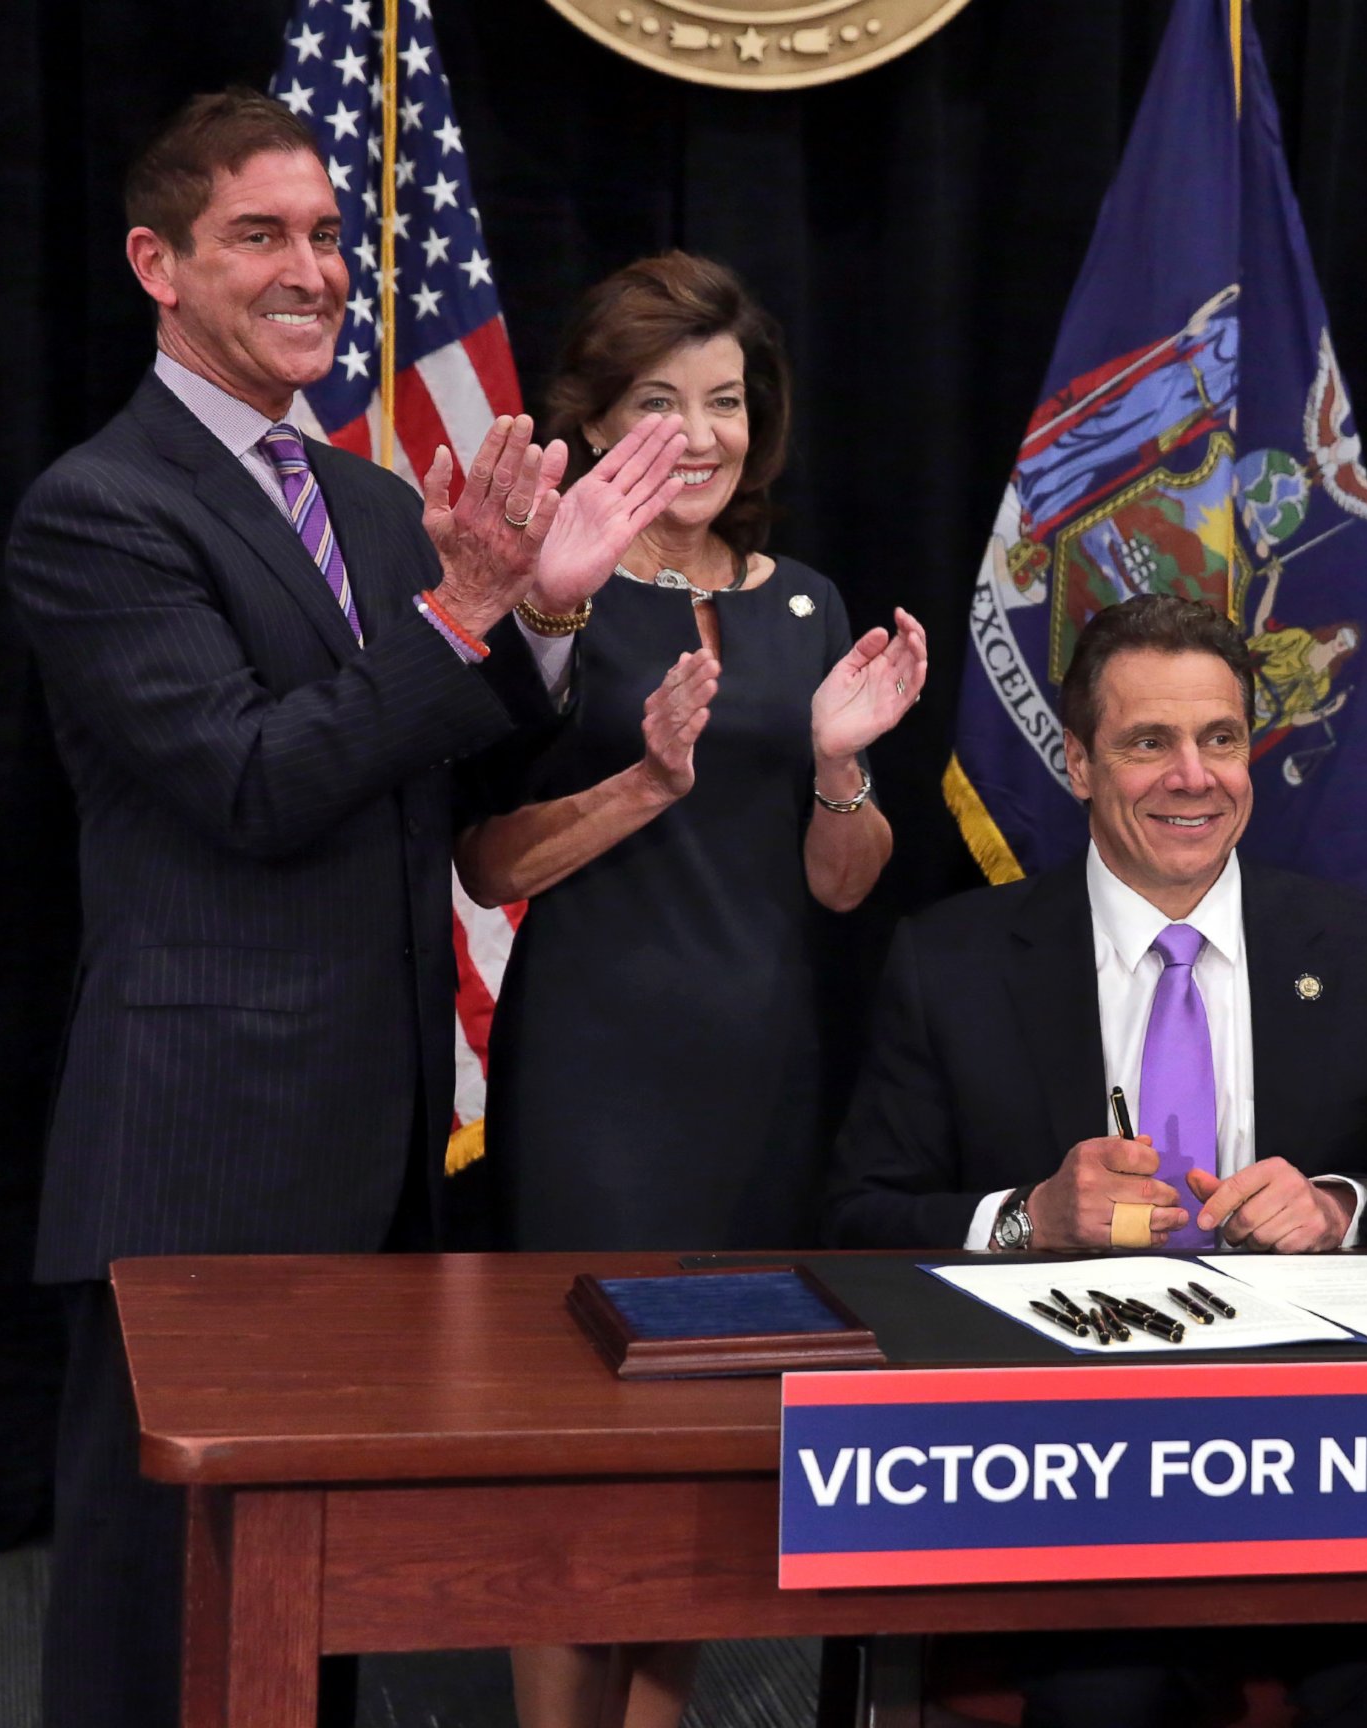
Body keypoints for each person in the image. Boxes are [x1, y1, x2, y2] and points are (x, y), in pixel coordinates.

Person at [6, 90, 683, 1728]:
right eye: (261, 234)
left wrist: (545, 621)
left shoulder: (376, 507)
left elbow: (434, 775)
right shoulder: (99, 510)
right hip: (200, 1150)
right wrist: (463, 614)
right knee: (163, 1609)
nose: (311, 267)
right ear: (156, 263)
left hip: (378, 1141)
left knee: (323, 1612)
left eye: (325, 233)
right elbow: (250, 779)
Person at [826, 593, 1367, 1727]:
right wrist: (1029, 1218)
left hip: (1318, 1467)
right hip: (1065, 1477)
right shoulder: (953, 962)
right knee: (1104, 1693)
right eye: (1149, 743)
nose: (1195, 777)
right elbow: (857, 1223)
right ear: (1078, 762)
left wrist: (1337, 1208)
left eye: (1220, 739)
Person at [451, 251, 927, 1728]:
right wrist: (648, 783)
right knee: (583, 1448)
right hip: (597, 1081)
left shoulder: (807, 602)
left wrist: (842, 769)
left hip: (767, 1077)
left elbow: (839, 886)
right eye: (665, 401)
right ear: (596, 421)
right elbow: (483, 858)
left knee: (718, 1453)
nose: (705, 433)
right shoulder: (558, 601)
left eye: (727, 400)